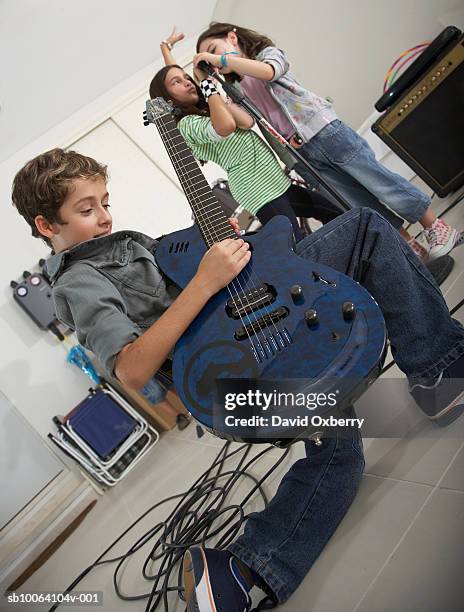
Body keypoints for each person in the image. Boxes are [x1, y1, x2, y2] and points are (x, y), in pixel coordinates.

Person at [11, 149, 464, 611]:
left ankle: (237, 573)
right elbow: (131, 368)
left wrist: (221, 249)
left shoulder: (125, 243)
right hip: (232, 379)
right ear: (47, 226)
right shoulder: (78, 283)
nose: (105, 217)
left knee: (341, 451)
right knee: (363, 234)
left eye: (106, 202)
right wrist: (204, 282)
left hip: (250, 336)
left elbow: (189, 271)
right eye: (86, 210)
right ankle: (440, 373)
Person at [195, 23, 464, 262]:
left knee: (380, 183)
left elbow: (269, 72)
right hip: (302, 155)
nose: (215, 60)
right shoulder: (237, 88)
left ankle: (436, 227)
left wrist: (218, 58)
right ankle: (409, 248)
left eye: (214, 48)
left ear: (232, 37)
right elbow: (247, 122)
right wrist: (209, 84)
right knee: (357, 201)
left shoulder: (267, 54)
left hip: (324, 131)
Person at [150, 27, 342, 242]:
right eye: (177, 82)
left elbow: (246, 121)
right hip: (257, 190)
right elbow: (227, 126)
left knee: (336, 213)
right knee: (297, 245)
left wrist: (167, 50)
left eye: (187, 78)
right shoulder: (187, 124)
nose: (186, 81)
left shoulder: (212, 107)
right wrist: (206, 85)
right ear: (167, 98)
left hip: (276, 180)